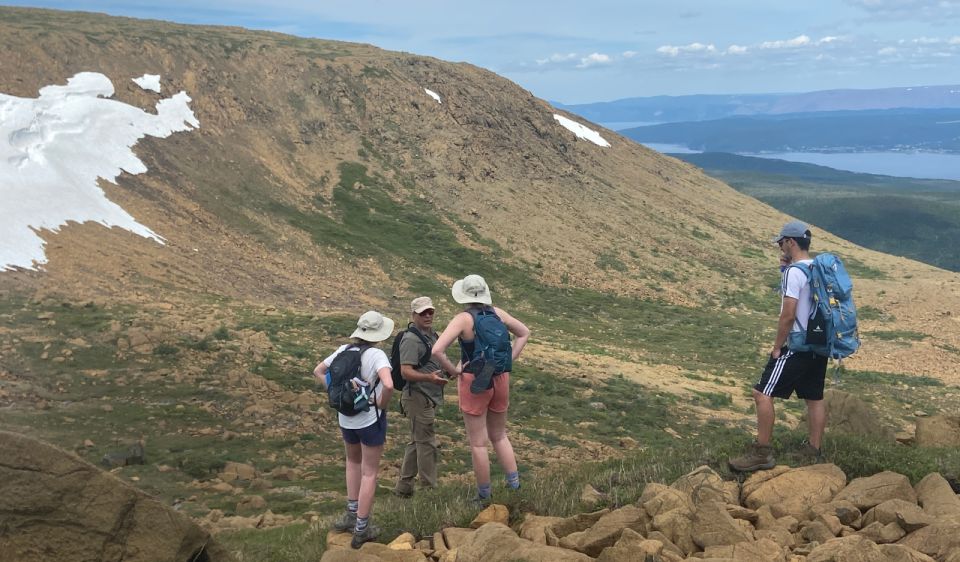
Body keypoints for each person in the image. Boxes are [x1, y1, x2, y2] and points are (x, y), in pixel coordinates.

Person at [729, 221, 829, 472]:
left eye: (781, 242)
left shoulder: (795, 272)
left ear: (791, 242)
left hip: (796, 344)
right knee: (814, 398)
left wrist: (777, 347)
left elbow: (788, 314)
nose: (779, 247)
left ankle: (762, 454)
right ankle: (814, 450)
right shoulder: (818, 268)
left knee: (762, 393)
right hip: (819, 344)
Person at [431, 274, 530, 504]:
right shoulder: (497, 313)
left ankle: (483, 495)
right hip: (500, 378)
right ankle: (515, 485)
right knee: (500, 435)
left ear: (464, 296)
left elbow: (437, 350)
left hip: (474, 382)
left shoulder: (463, 319)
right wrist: (508, 363)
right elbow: (524, 333)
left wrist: (455, 371)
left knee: (478, 443)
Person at [314, 310, 395, 548]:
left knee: (352, 463)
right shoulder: (377, 354)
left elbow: (318, 370)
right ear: (379, 334)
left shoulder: (343, 350)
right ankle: (362, 527)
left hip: (345, 418)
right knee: (369, 472)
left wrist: (335, 393)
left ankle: (351, 514)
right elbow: (388, 384)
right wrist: (380, 402)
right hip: (369, 419)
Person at [394, 296, 449, 497]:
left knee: (417, 442)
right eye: (423, 313)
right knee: (427, 444)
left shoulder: (433, 336)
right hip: (417, 396)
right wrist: (429, 378)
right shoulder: (410, 339)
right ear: (414, 315)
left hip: (427, 397)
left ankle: (404, 487)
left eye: (430, 312)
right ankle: (429, 491)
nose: (427, 316)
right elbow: (405, 372)